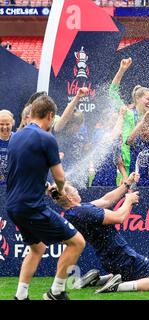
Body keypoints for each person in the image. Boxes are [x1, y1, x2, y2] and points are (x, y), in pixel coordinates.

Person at [6, 95, 86, 300]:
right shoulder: (46, 138)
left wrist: (47, 188)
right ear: (50, 115)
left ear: (31, 114)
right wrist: (60, 192)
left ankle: (20, 296)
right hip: (31, 206)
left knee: (37, 248)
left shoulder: (16, 137)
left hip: (13, 206)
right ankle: (56, 291)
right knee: (77, 242)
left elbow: (23, 173)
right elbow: (60, 176)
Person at [52, 173, 149, 293]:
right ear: (70, 197)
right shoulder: (85, 211)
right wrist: (129, 201)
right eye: (75, 191)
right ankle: (116, 287)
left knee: (132, 275)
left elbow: (106, 200)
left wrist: (127, 184)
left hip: (108, 260)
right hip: (122, 256)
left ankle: (97, 280)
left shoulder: (73, 213)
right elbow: (119, 217)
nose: (78, 191)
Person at [109, 58, 149, 175]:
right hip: (127, 164)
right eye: (148, 99)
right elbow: (113, 93)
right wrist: (121, 70)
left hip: (147, 165)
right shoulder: (128, 114)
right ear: (138, 99)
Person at [91, 106, 128, 187]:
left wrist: (125, 176)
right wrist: (121, 115)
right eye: (113, 119)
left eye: (116, 119)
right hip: (99, 180)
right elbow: (112, 137)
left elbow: (118, 160)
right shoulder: (99, 132)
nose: (116, 122)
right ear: (105, 121)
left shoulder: (117, 139)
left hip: (111, 179)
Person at [125, 109, 149, 187]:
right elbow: (129, 141)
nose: (143, 133)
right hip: (134, 183)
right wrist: (143, 120)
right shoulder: (136, 142)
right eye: (141, 130)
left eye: (145, 130)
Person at [0, 110, 15, 186]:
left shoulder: (19, 139)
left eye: (7, 124)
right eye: (1, 124)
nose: (5, 127)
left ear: (12, 124)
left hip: (13, 187)